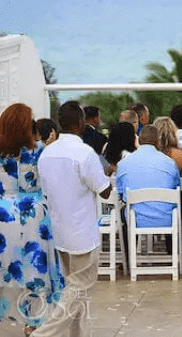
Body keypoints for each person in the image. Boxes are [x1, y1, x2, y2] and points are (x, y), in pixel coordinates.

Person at [36, 100, 112, 337]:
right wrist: (106, 173)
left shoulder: (46, 154)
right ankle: (43, 333)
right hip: (82, 233)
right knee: (78, 290)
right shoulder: (85, 153)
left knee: (76, 290)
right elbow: (104, 190)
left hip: (58, 230)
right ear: (81, 123)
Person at [0, 104, 65, 335]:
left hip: (3, 214)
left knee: (4, 268)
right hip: (33, 216)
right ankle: (33, 322)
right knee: (36, 271)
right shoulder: (40, 151)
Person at [116, 125, 180, 228]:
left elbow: (121, 194)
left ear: (139, 141)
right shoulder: (170, 163)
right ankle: (171, 244)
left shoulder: (123, 163)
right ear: (157, 141)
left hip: (135, 220)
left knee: (124, 211)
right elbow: (176, 188)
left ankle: (130, 244)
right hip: (167, 219)